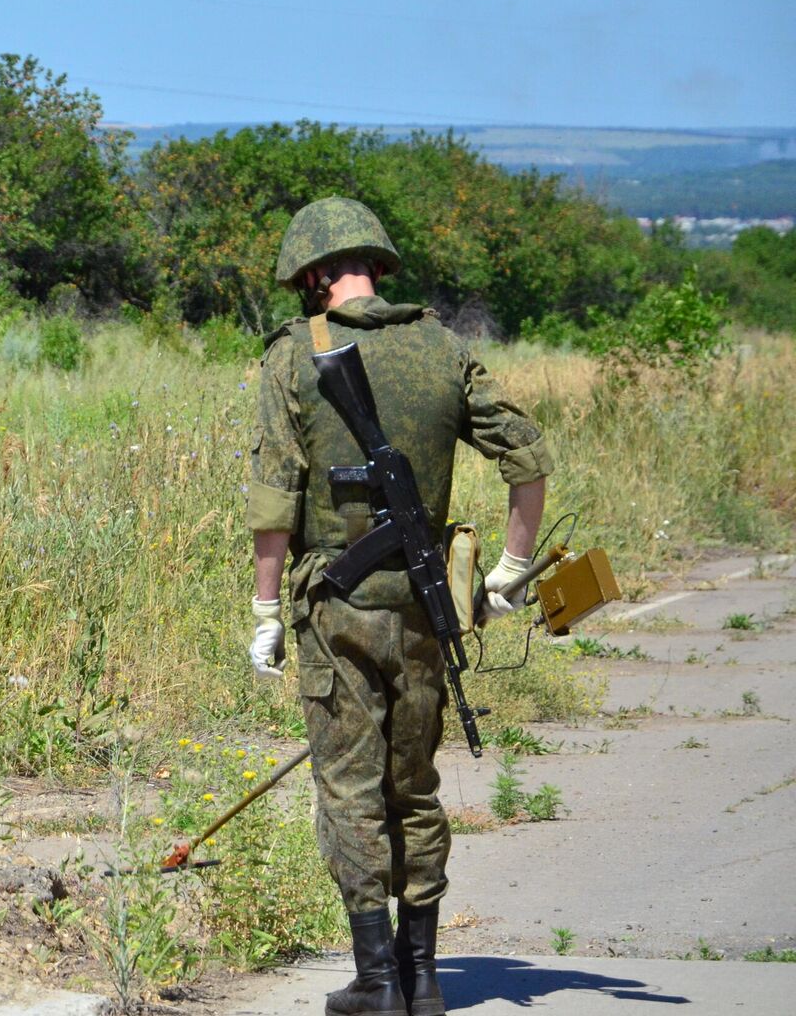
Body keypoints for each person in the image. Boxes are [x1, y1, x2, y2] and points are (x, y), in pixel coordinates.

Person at [245, 197, 553, 1016]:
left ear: (313, 275)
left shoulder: (291, 358)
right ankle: (422, 981)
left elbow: (275, 503)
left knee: (349, 789)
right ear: (376, 265)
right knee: (412, 787)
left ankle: (376, 980)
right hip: (424, 608)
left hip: (336, 607)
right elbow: (528, 459)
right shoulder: (444, 349)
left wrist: (265, 610)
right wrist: (511, 572)